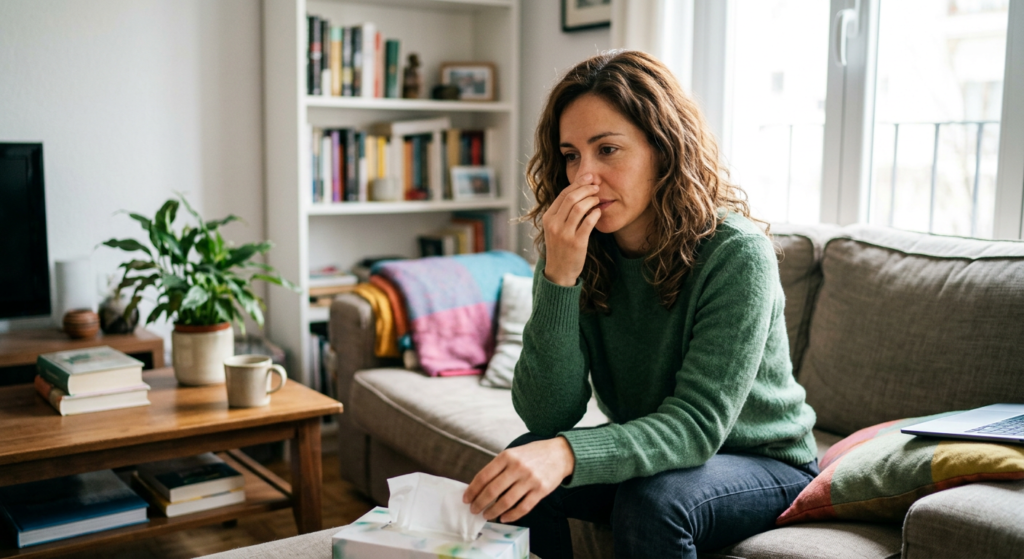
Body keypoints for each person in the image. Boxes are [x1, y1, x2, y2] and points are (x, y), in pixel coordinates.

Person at [461, 50, 819, 559]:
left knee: (653, 501)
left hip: (763, 460)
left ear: (663, 149)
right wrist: (560, 277)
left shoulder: (737, 254)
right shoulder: (577, 249)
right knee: (518, 470)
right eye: (570, 155)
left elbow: (696, 428)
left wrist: (566, 453)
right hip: (662, 449)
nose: (584, 177)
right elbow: (547, 414)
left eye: (607, 149)